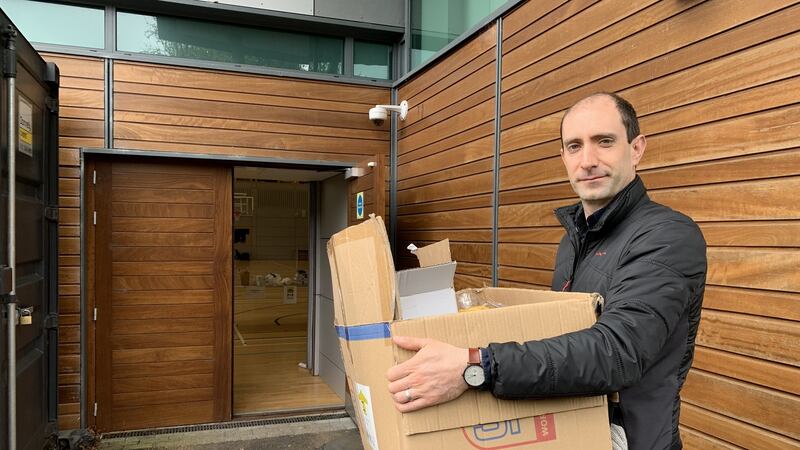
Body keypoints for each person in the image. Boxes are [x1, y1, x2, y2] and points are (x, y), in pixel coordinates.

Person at [386, 92, 707, 450]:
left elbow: (618, 352)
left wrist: (476, 364)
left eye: (604, 141)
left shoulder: (667, 235)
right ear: (563, 157)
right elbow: (566, 337)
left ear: (636, 148)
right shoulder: (573, 241)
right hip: (574, 432)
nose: (587, 160)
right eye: (574, 146)